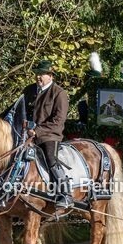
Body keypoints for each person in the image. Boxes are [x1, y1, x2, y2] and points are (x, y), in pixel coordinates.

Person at [22, 60, 72, 208]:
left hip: (49, 135)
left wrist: (36, 131)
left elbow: (58, 120)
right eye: (37, 74)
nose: (38, 77)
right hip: (25, 133)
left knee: (51, 159)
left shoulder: (59, 94)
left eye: (42, 74)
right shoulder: (29, 90)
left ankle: (65, 194)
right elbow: (18, 110)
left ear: (51, 76)